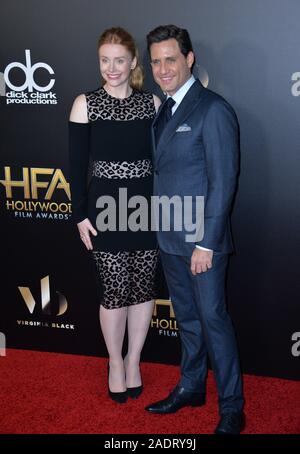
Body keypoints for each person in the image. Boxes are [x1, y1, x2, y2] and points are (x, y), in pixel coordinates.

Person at [145, 25, 245, 434]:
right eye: (155, 61)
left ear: (189, 59)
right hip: (169, 239)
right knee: (186, 319)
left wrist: (207, 242)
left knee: (212, 320)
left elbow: (223, 183)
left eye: (171, 59)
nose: (163, 68)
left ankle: (232, 407)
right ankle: (190, 386)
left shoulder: (213, 109)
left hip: (202, 243)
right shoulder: (163, 109)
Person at [69, 27, 161, 404]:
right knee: (113, 292)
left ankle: (134, 360)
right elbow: (75, 167)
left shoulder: (152, 105)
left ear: (133, 62)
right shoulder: (84, 103)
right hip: (104, 209)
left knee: (142, 290)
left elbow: (164, 163)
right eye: (105, 60)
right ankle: (114, 363)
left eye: (119, 60)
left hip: (145, 208)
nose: (111, 67)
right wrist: (79, 215)